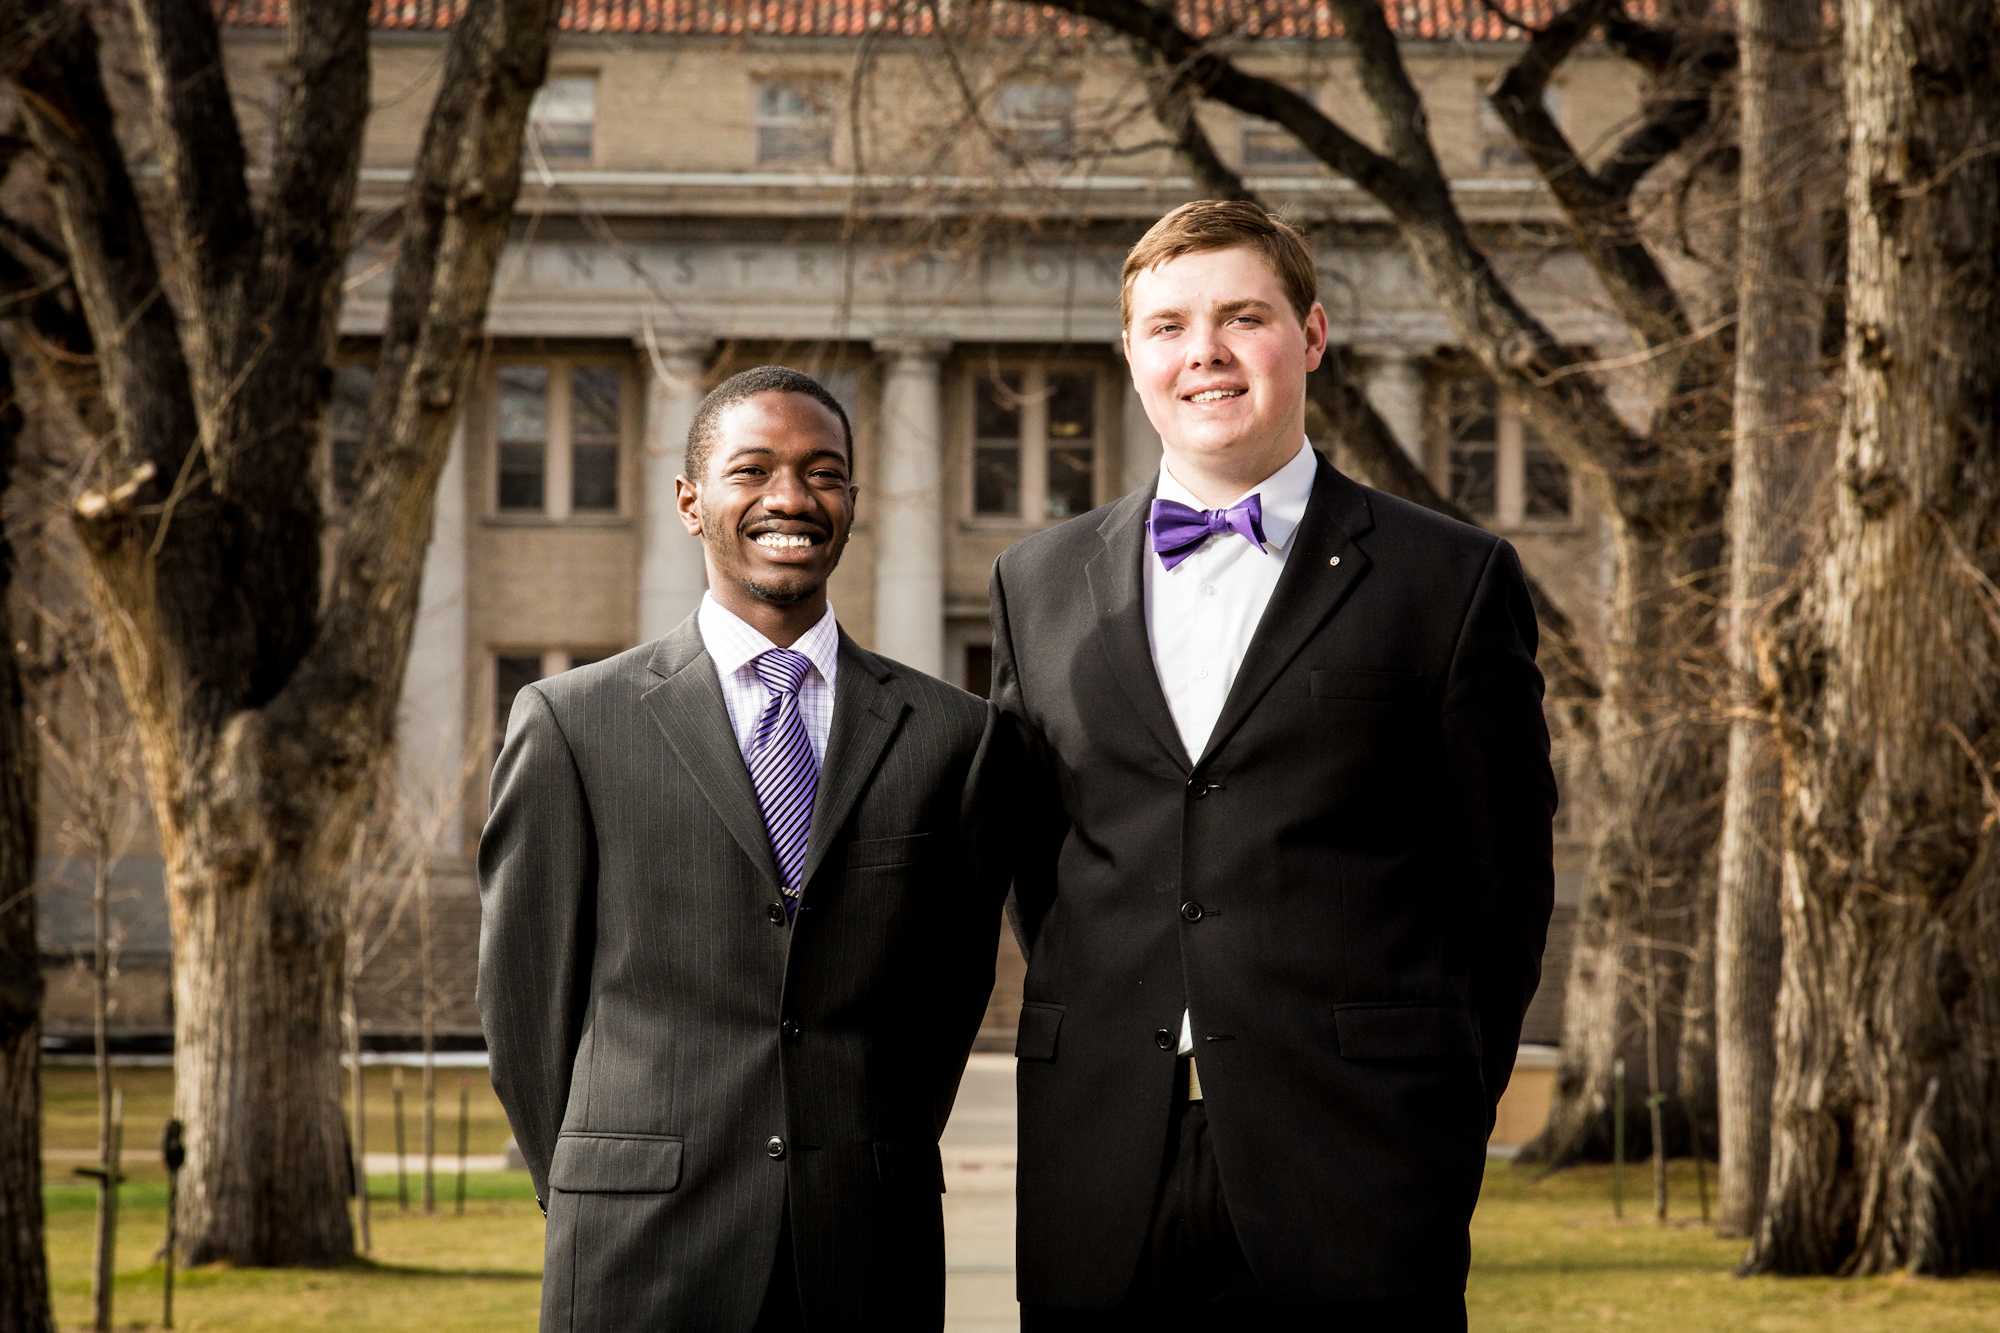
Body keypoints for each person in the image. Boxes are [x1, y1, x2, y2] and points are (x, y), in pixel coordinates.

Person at [989, 200, 1557, 1329]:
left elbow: (1499, 891)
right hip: (1101, 1158)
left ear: (1309, 335)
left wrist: (1431, 1119)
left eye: (1239, 317)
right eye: (1166, 326)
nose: (1200, 351)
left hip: (1358, 1164)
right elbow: (1034, 866)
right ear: (1131, 355)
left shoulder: (1446, 579)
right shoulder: (1035, 581)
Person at [479, 365, 1003, 1332]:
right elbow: (525, 999)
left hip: (866, 1234)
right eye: (751, 469)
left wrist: (866, 1142)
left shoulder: (951, 736)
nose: (790, 498)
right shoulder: (570, 722)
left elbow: (948, 992)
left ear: (852, 500)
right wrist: (598, 1173)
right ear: (691, 501)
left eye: (823, 472)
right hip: (638, 1241)